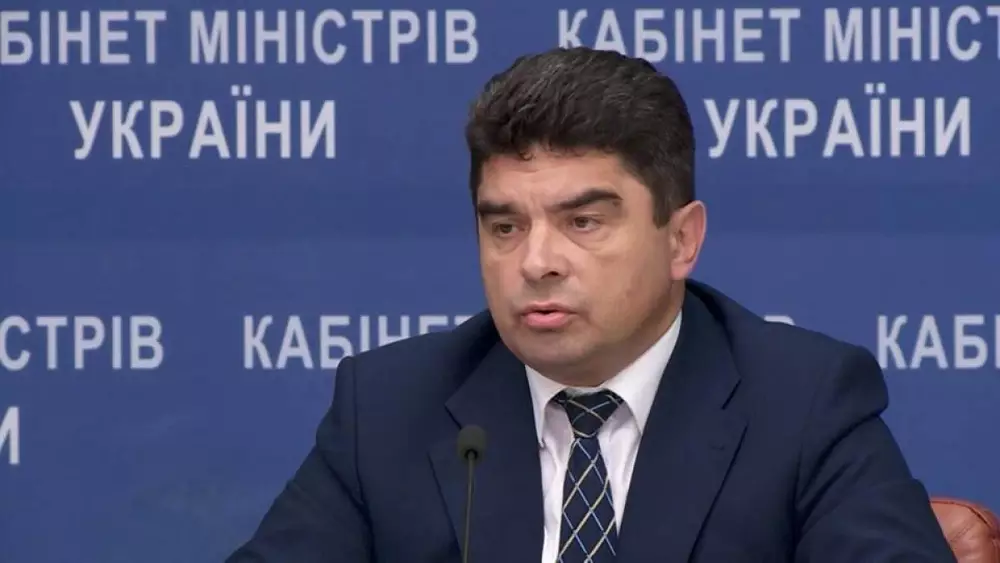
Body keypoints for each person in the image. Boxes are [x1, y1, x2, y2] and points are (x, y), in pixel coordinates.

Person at [227, 47, 956, 562]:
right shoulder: (389, 407)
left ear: (681, 239)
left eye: (583, 221)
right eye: (504, 226)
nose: (535, 261)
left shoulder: (802, 403)